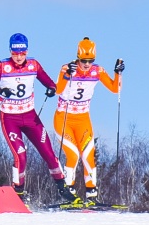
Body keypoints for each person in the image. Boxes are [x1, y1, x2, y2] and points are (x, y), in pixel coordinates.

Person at [0, 33, 76, 203]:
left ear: (27, 51)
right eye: (15, 53)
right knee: (21, 155)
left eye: (22, 53)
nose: (18, 57)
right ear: (10, 51)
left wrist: (51, 89)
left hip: (30, 117)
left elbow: (50, 83)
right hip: (10, 118)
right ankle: (18, 193)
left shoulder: (33, 65)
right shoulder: (2, 67)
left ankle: (63, 188)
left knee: (48, 153)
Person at [53, 37, 124, 207]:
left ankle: (91, 195)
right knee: (73, 155)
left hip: (83, 119)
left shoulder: (97, 71)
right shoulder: (67, 68)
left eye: (90, 61)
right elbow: (58, 90)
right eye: (83, 61)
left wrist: (118, 73)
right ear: (78, 58)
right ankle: (69, 194)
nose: (86, 64)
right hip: (64, 119)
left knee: (88, 156)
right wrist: (67, 75)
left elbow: (115, 89)